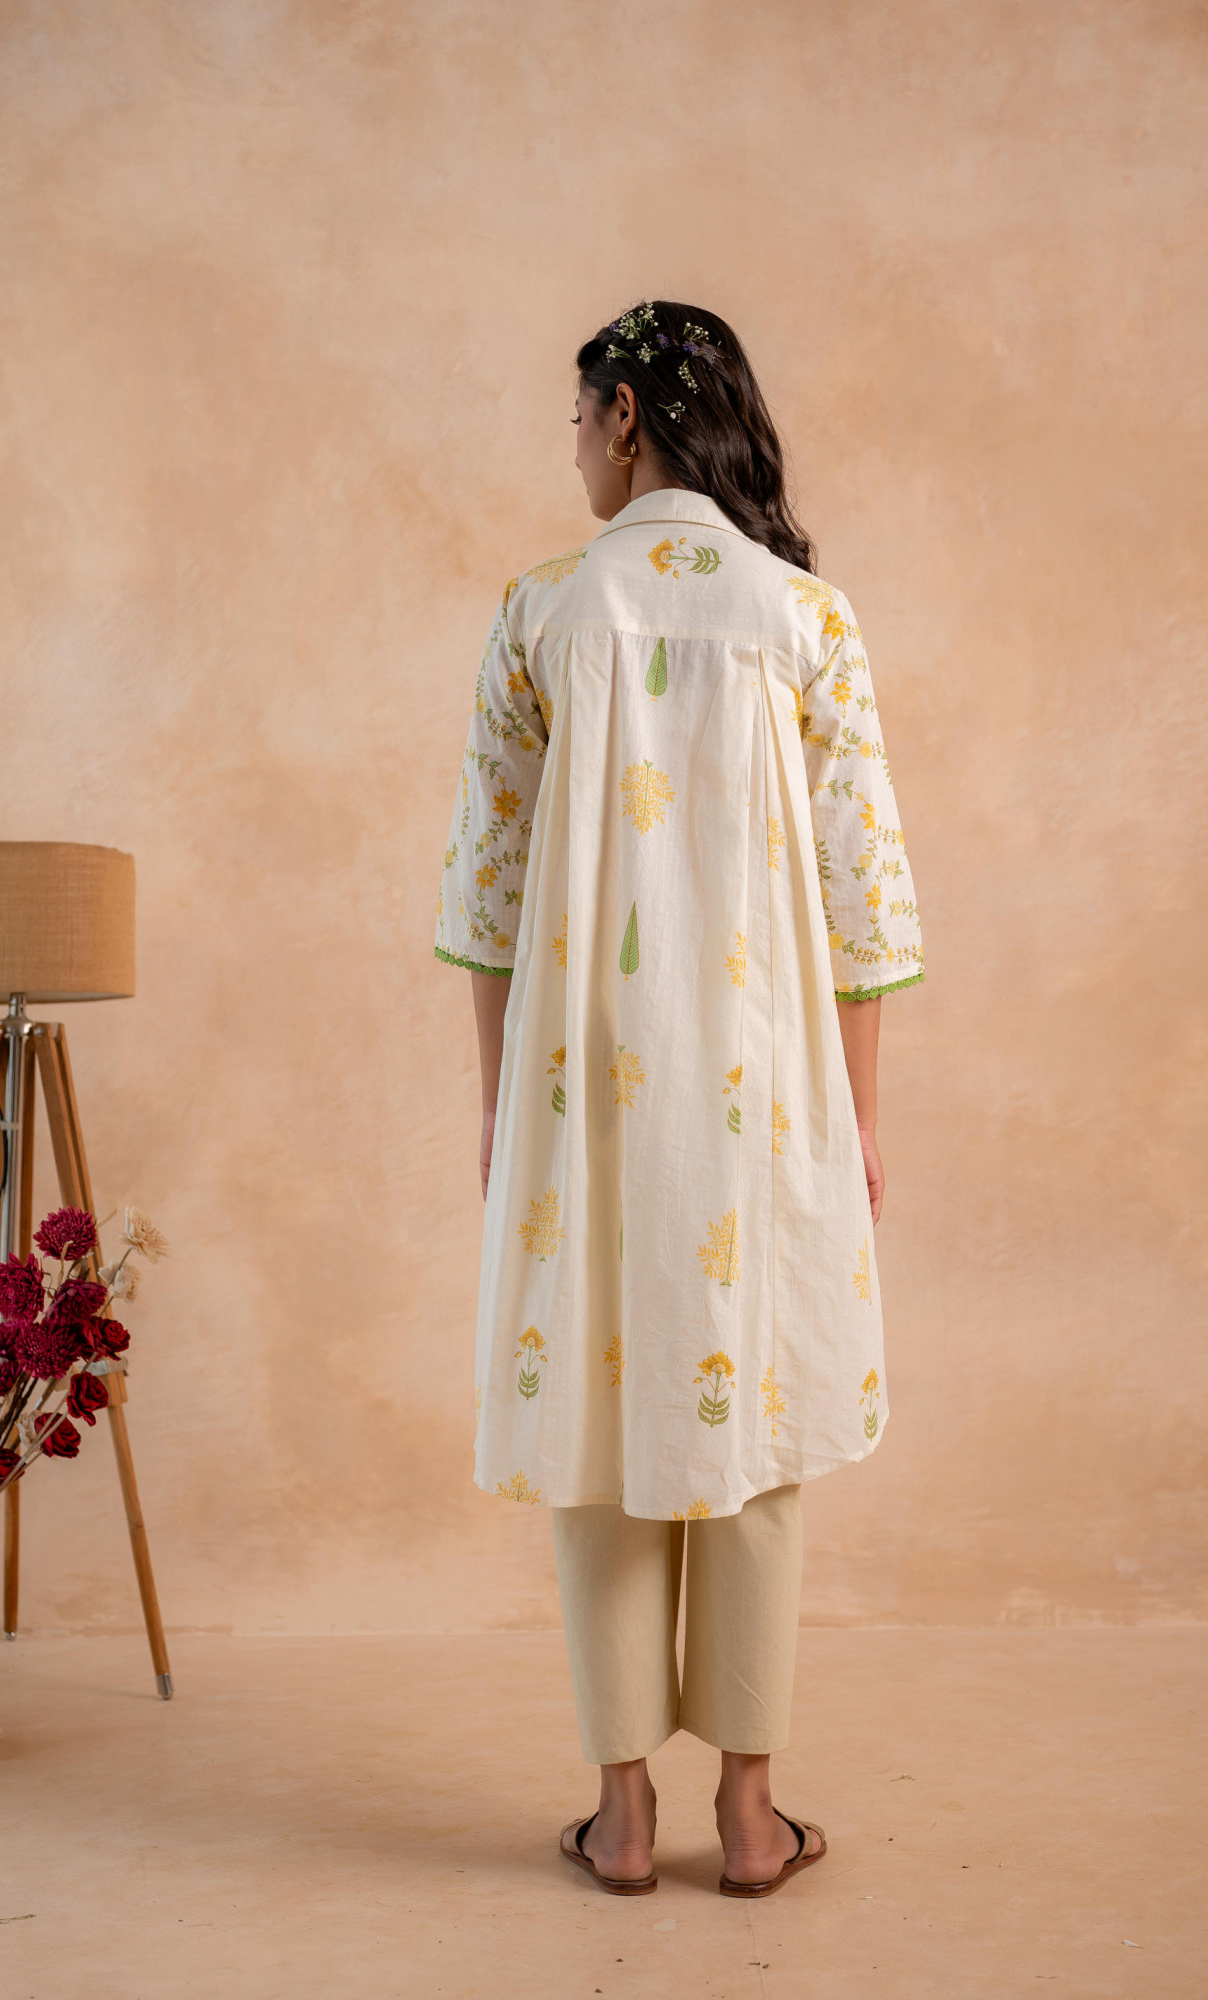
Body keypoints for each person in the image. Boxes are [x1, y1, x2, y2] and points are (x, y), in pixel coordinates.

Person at [434, 300, 923, 1898]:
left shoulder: (540, 609)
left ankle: (623, 1812)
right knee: (755, 1425)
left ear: (625, 413)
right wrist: (858, 1125)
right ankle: (753, 1817)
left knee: (600, 1430)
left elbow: (489, 895)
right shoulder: (805, 616)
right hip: (765, 1097)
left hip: (582, 1094)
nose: (572, 449)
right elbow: (861, 906)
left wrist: (499, 1110)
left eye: (577, 419)